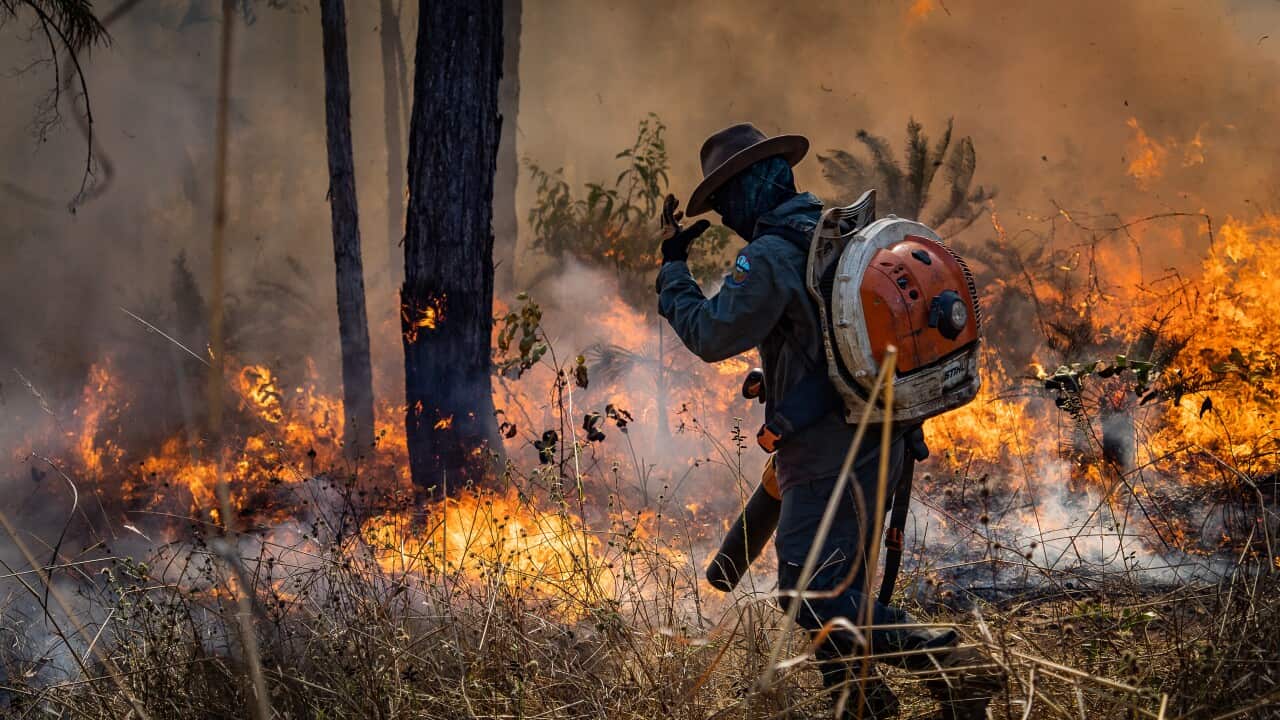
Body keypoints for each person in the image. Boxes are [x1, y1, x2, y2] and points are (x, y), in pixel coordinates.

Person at [655, 122, 1002, 719]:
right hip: (882, 436)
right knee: (839, 590)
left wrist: (672, 272)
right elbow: (835, 331)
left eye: (725, 200)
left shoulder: (769, 255)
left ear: (749, 186)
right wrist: (783, 371)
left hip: (827, 455)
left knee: (808, 593)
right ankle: (863, 707)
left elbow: (709, 334)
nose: (728, 214)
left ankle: (952, 661)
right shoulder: (835, 228)